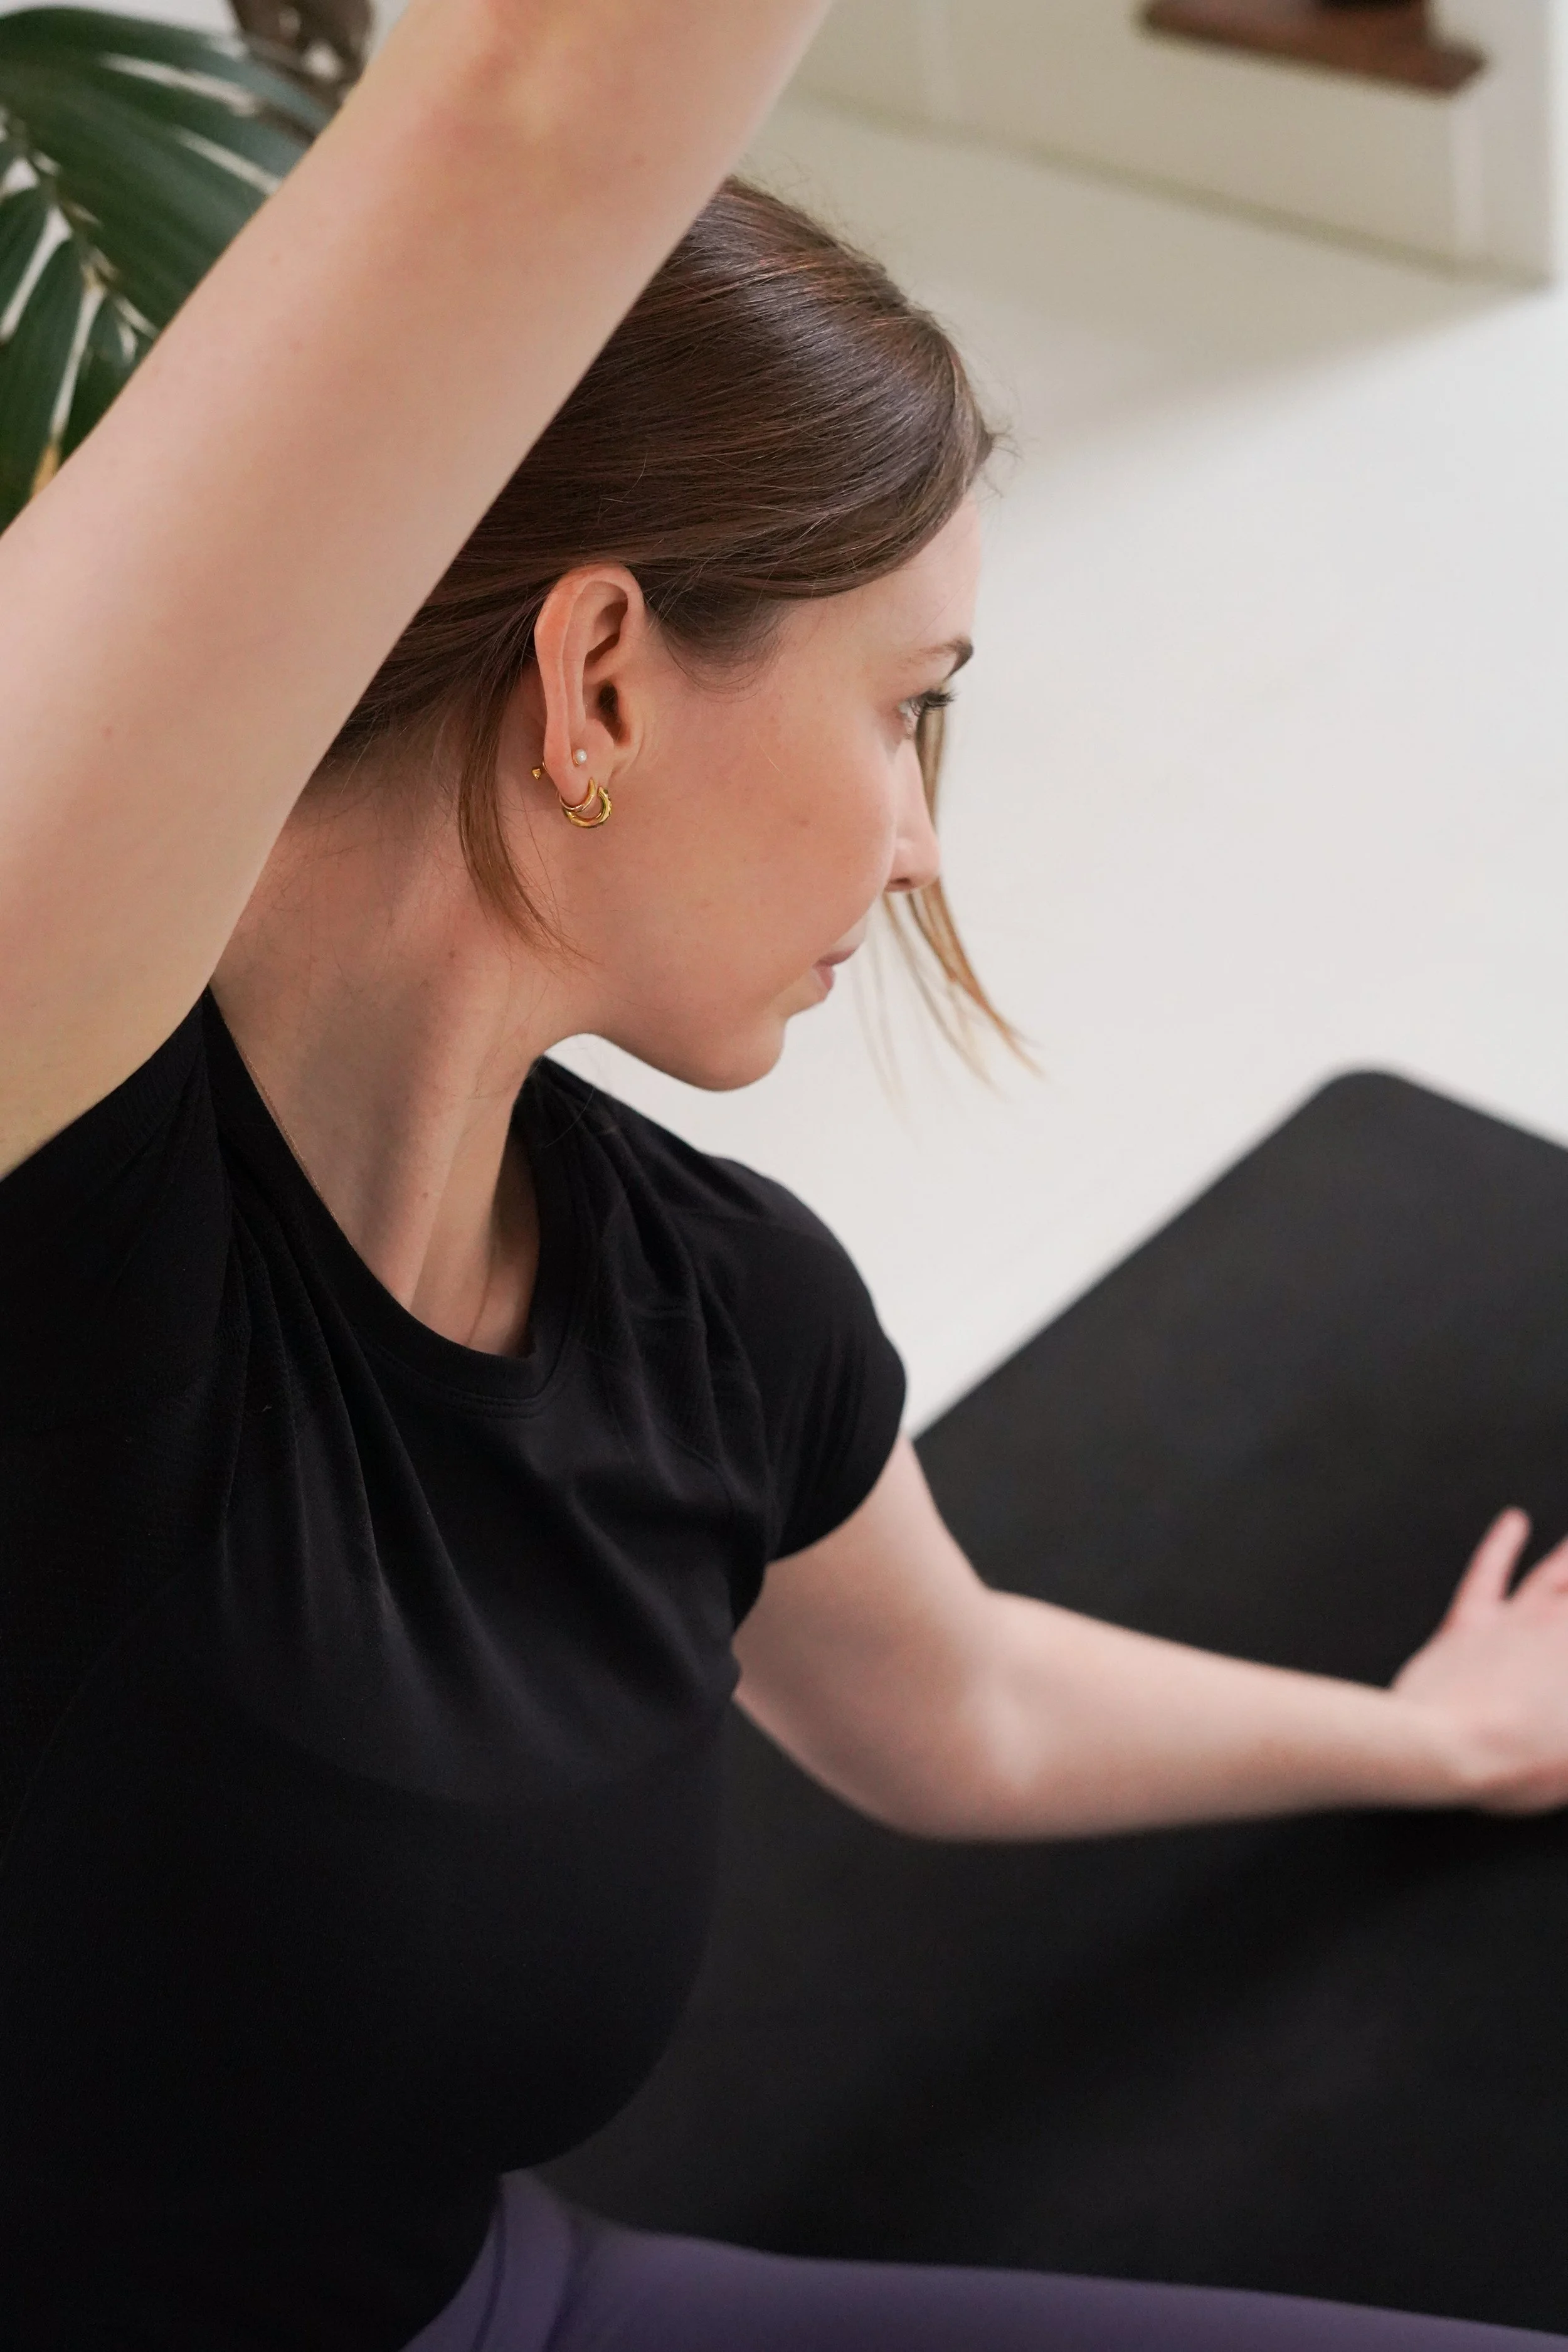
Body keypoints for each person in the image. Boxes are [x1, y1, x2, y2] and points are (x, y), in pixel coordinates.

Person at [4, 3, 1568, 2345]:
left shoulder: (714, 1303)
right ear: (604, 679)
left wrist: (1431, 1733)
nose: (927, 839)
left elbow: (956, 1712)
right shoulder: (58, 1179)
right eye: (904, 701)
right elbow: (528, 108)